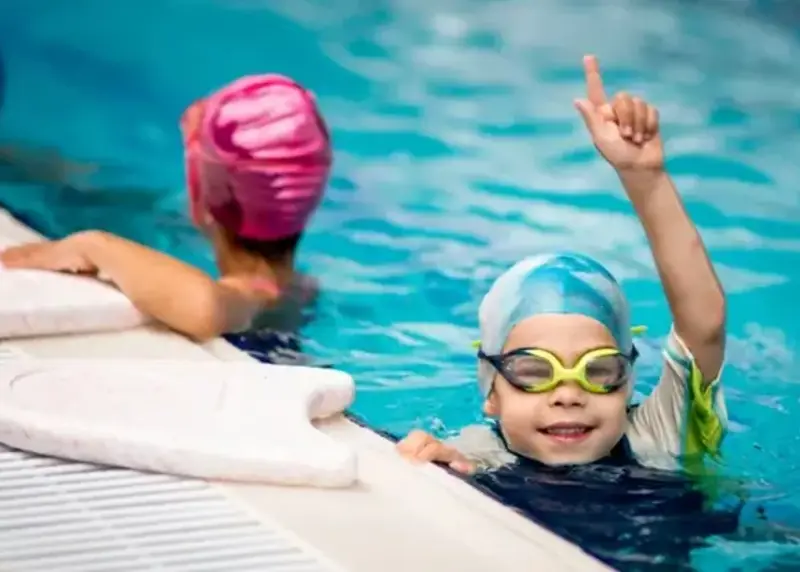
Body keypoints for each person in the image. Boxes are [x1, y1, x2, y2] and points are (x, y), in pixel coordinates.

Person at [396, 55, 728, 476]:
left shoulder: (660, 438)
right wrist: (434, 459)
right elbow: (447, 458)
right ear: (491, 393)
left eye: (600, 370)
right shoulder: (480, 453)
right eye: (534, 371)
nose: (568, 394)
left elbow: (705, 324)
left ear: (628, 384)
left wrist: (645, 177)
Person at [0, 74, 333, 355]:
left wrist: (95, 246)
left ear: (204, 197)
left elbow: (206, 307)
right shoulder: (298, 285)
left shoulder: (256, 292)